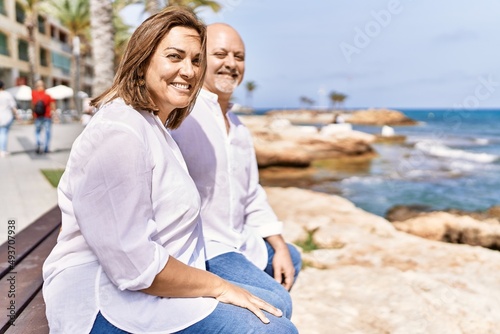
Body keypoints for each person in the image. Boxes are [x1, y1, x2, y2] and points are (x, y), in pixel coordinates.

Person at [42, 7, 297, 334]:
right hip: (105, 299)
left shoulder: (154, 126)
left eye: (195, 61)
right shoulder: (120, 133)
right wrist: (219, 286)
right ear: (143, 59)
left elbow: (249, 193)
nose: (189, 71)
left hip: (146, 282)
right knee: (273, 328)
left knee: (276, 304)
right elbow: (134, 265)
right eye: (175, 57)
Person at [171, 23, 302, 319]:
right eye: (220, 54)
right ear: (200, 59)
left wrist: (279, 245)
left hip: (239, 240)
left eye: (239, 57)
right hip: (206, 248)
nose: (231, 63)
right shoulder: (181, 117)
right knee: (280, 305)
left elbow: (252, 193)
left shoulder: (240, 129)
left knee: (291, 257)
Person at [31, 79, 55, 154]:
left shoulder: (33, 94)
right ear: (44, 86)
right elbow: (53, 105)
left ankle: (38, 142)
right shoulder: (48, 95)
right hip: (47, 116)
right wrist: (53, 113)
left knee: (37, 131)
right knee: (47, 132)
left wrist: (33, 114)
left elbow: (32, 105)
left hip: (37, 115)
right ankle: (46, 148)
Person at [0, 80, 18, 157]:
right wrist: (17, 115)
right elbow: (13, 106)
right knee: (3, 133)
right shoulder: (7, 94)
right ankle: (2, 150)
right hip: (6, 117)